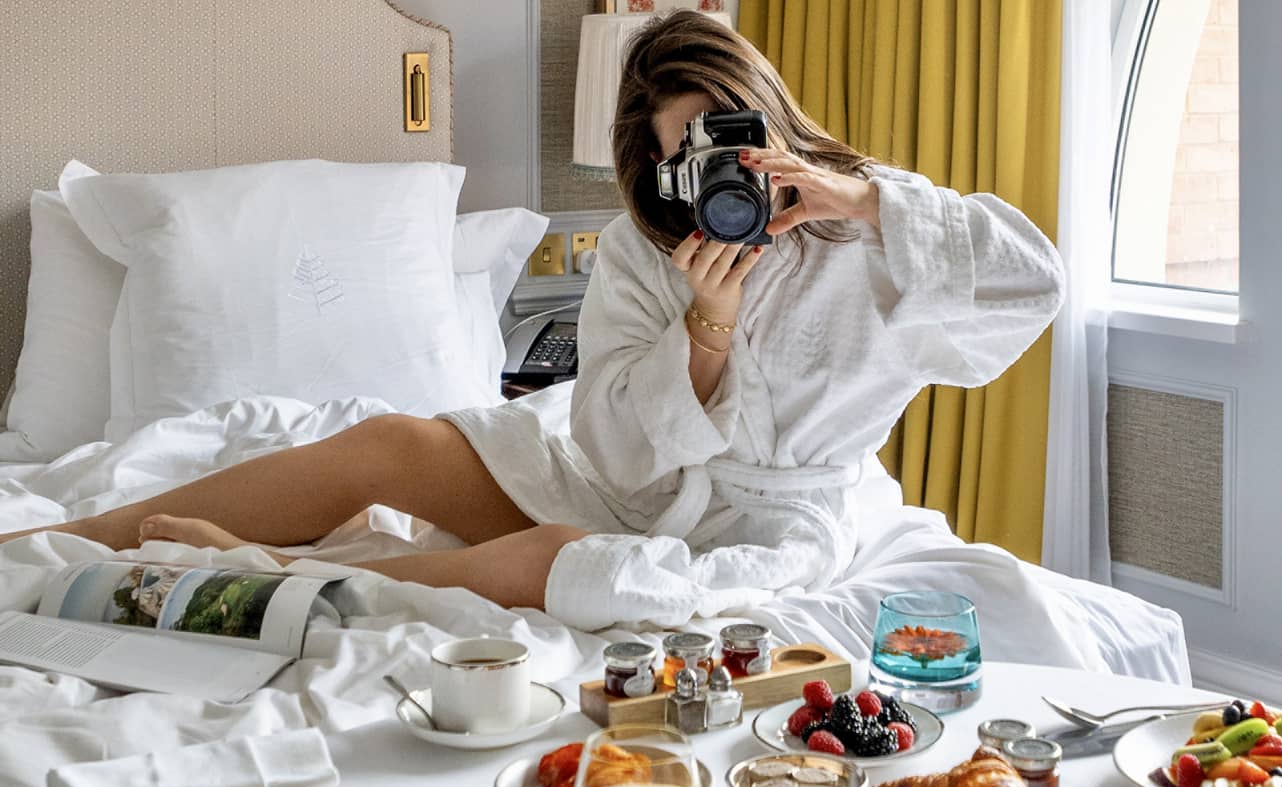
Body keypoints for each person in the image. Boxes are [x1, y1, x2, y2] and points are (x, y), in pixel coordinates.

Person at [0, 11, 1063, 629]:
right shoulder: (654, 242)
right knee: (389, 440)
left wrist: (869, 202)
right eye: (681, 155)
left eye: (727, 143)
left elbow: (1034, 289)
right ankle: (58, 536)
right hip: (625, 477)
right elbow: (610, 445)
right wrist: (704, 331)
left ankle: (263, 572)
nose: (711, 177)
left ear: (766, 120)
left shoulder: (879, 225)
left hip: (767, 520)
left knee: (556, 556)